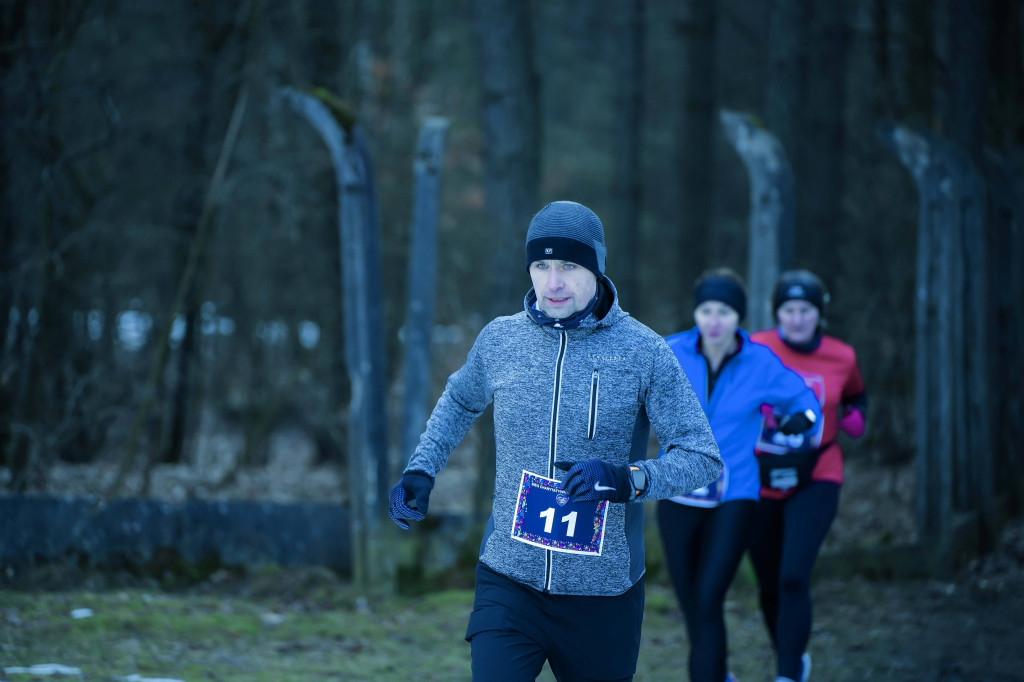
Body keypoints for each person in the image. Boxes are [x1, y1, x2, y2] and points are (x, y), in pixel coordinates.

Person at [387, 200, 724, 682]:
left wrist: (627, 480)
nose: (553, 282)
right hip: (509, 581)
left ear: (597, 269)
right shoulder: (501, 339)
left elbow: (702, 457)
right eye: (541, 265)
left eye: (569, 265)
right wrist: (422, 469)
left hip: (602, 595)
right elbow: (460, 401)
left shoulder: (644, 351)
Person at [655, 268, 821, 682]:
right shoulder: (669, 352)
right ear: (696, 313)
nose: (714, 320)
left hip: (735, 494)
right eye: (707, 309)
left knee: (710, 597)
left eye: (725, 311)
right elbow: (629, 396)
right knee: (693, 605)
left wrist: (801, 419)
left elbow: (803, 400)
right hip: (676, 495)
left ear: (738, 317)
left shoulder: (759, 361)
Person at [748, 270, 867, 682]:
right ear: (777, 312)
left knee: (793, 576)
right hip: (759, 476)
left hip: (818, 472)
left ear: (820, 313)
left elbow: (855, 394)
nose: (797, 319)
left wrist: (855, 416)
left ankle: (787, 675)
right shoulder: (755, 348)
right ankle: (791, 656)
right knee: (767, 583)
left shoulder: (842, 356)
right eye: (789, 310)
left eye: (806, 310)